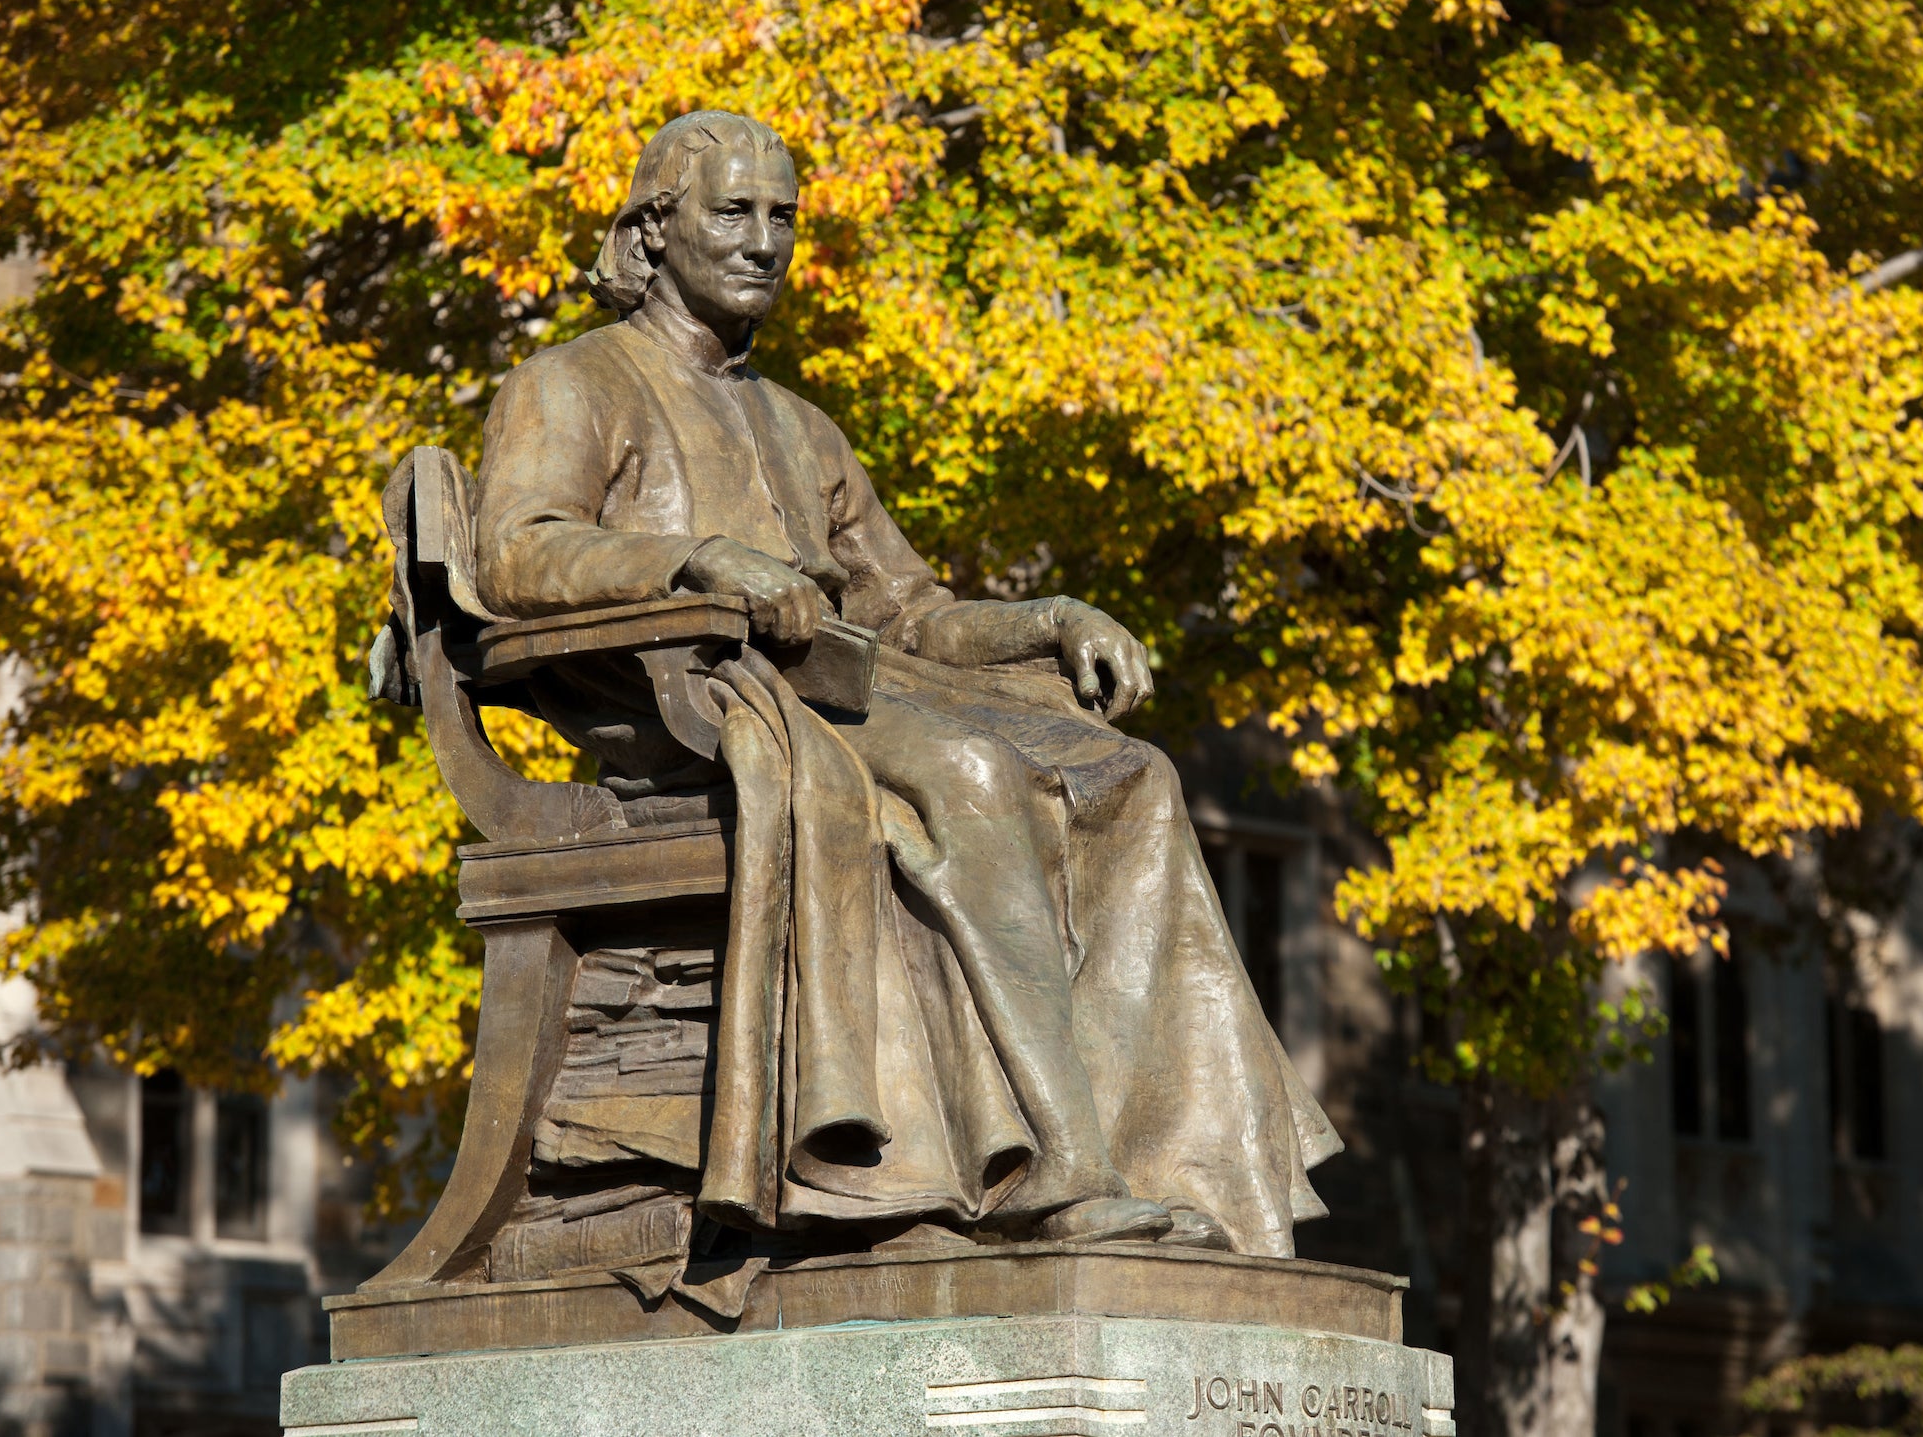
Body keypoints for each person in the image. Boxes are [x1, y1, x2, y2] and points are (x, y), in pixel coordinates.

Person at [472, 110, 1337, 1257]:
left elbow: (907, 610)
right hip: (702, 713)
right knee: (974, 772)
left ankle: (1179, 1160)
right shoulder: (571, 383)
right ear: (651, 230)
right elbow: (518, 551)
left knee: (1132, 774)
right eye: (731, 212)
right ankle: (1053, 1168)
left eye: (782, 216)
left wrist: (1052, 618)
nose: (763, 241)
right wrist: (689, 560)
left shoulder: (802, 425)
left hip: (852, 691)